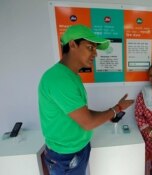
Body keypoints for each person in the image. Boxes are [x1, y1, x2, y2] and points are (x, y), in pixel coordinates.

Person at [38, 24, 134, 175]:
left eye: (95, 48)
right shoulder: (60, 79)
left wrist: (111, 112)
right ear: (72, 44)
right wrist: (116, 109)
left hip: (76, 149)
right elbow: (88, 122)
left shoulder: (70, 75)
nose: (95, 54)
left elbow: (80, 112)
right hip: (65, 156)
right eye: (90, 47)